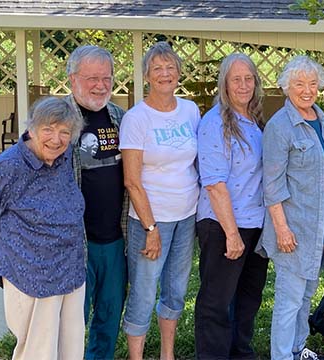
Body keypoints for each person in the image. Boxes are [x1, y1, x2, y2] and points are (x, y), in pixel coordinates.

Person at [0, 97, 86, 359]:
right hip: (31, 274)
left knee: (71, 349)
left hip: (71, 270)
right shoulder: (8, 166)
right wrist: (15, 254)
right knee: (37, 352)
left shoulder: (64, 157)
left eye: (64, 132)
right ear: (31, 129)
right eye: (48, 130)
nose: (56, 139)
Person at [119, 42, 200, 360]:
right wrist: (151, 227)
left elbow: (194, 163)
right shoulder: (136, 119)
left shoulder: (190, 110)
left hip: (186, 216)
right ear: (147, 76)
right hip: (150, 221)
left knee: (176, 290)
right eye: (157, 69)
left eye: (170, 68)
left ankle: (168, 355)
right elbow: (131, 180)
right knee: (143, 291)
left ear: (179, 73)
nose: (165, 74)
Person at [255, 55, 324, 360]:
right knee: (289, 299)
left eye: (312, 83)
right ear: (286, 87)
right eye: (299, 83)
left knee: (304, 297)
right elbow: (272, 184)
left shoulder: (321, 119)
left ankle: (297, 348)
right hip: (293, 229)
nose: (307, 89)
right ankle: (281, 355)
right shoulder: (280, 126)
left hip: (318, 228)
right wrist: (282, 229)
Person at [194, 53, 269, 360]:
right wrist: (232, 233)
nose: (243, 85)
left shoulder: (254, 120)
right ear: (224, 84)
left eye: (248, 78)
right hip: (224, 224)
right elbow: (214, 183)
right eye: (235, 79)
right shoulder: (215, 123)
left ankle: (241, 354)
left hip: (255, 223)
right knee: (217, 302)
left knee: (248, 300)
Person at [64, 45, 128, 360]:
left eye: (106, 78)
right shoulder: (56, 118)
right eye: (92, 78)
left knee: (109, 319)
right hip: (75, 243)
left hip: (116, 240)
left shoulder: (120, 117)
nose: (101, 85)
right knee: (70, 324)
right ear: (72, 78)